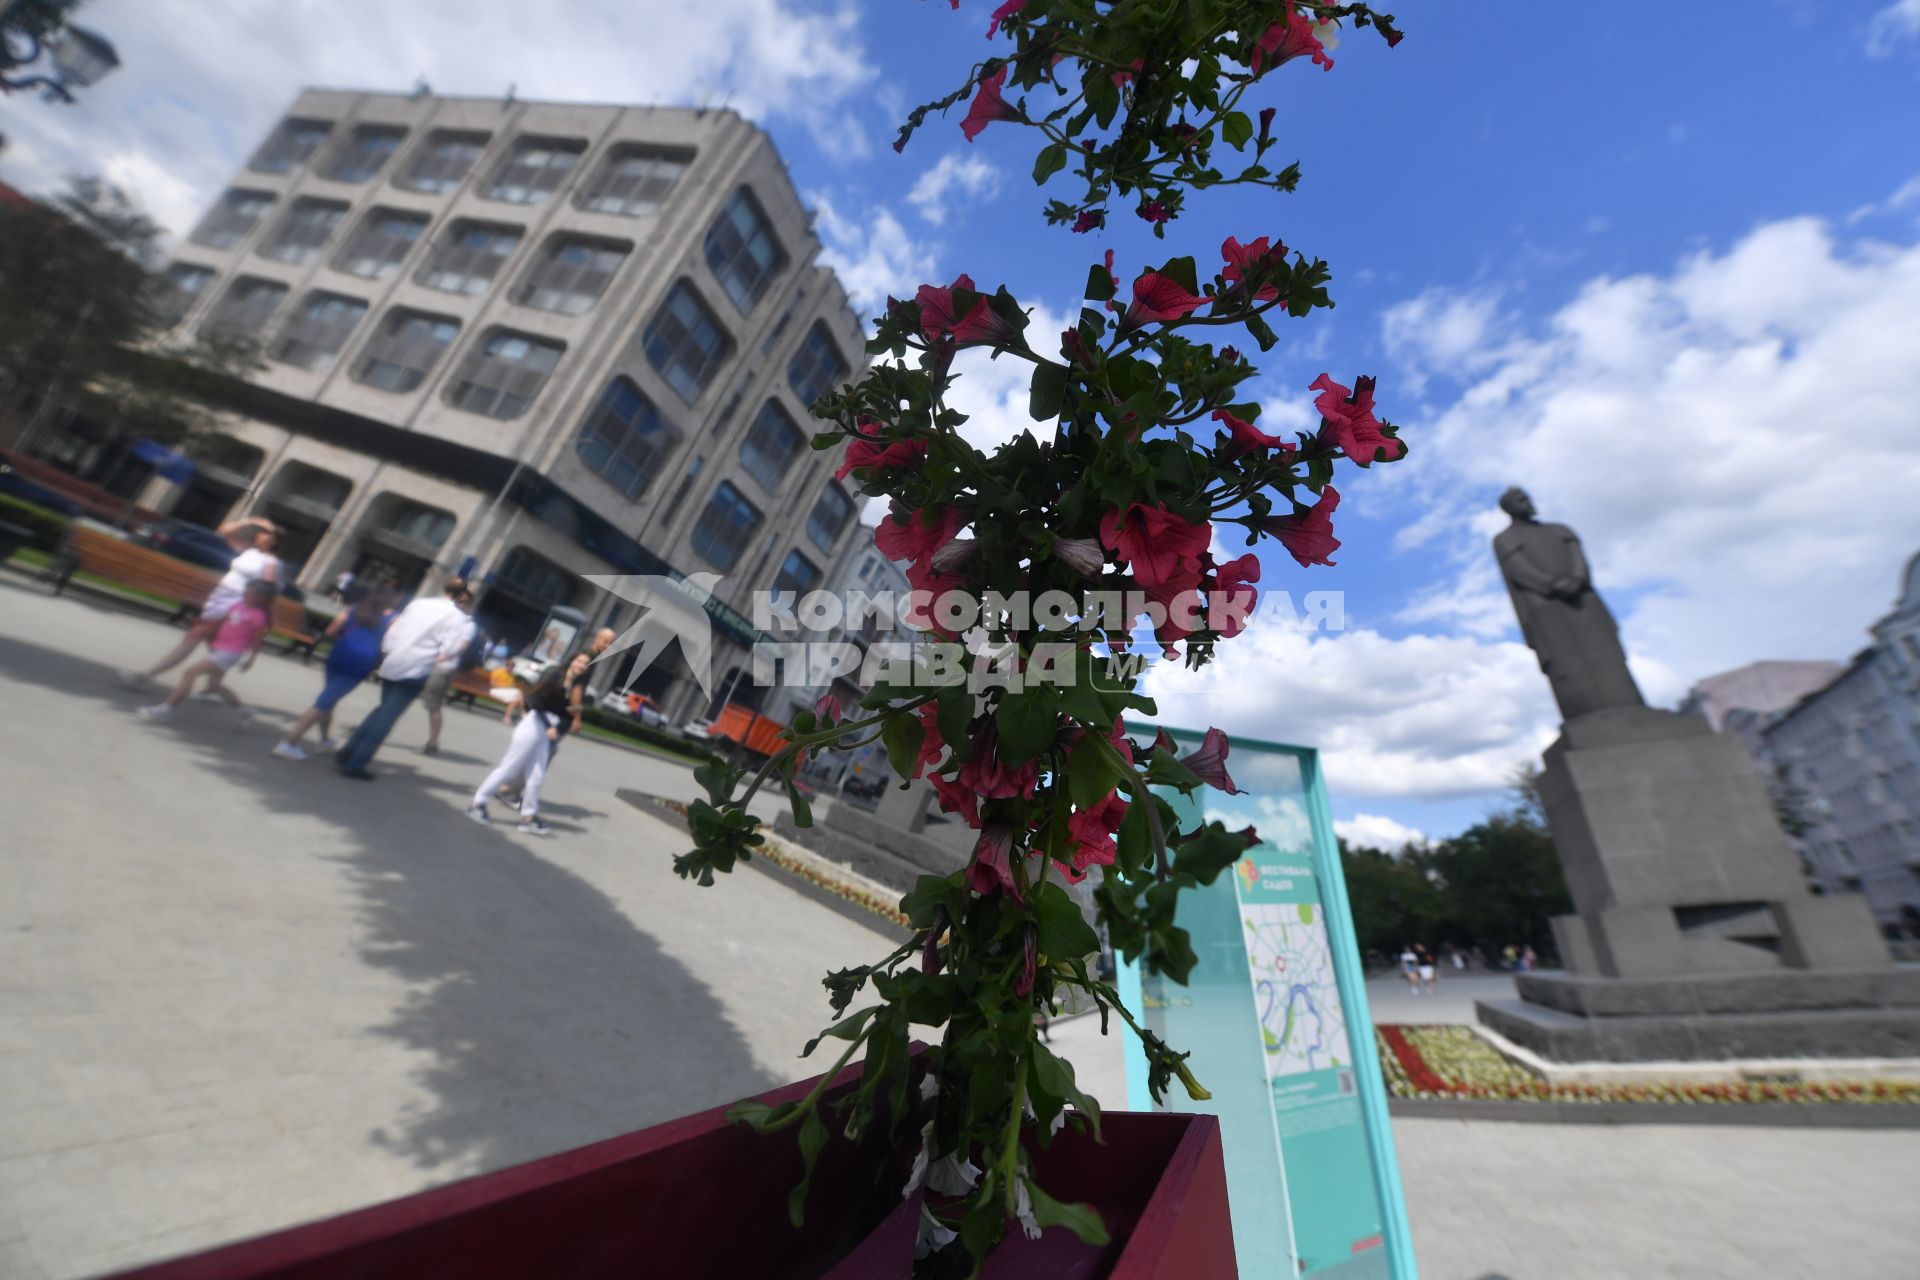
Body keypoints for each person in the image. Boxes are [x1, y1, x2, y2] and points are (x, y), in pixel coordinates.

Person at [335, 577, 475, 780]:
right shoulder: (456, 618)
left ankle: (347, 751)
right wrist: (435, 656)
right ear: (462, 594)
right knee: (386, 718)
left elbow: (394, 630)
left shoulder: (418, 604)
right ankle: (357, 762)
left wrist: (388, 652)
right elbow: (451, 648)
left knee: (381, 710)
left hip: (393, 662)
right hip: (416, 669)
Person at [122, 516, 281, 685]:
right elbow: (225, 532)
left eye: (267, 534)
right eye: (262, 532)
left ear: (274, 541)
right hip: (218, 598)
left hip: (234, 605)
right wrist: (249, 522)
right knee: (215, 646)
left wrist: (262, 619)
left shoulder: (270, 562)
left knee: (194, 636)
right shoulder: (249, 552)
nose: (262, 535)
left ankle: (144, 676)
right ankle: (214, 688)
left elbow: (266, 592)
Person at [272, 584, 393, 761]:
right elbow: (389, 645)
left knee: (329, 699)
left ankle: (325, 740)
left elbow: (330, 631)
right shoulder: (390, 619)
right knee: (323, 702)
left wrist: (345, 640)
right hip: (360, 663)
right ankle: (289, 742)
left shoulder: (353, 609)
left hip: (338, 656)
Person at [137, 579, 274, 724]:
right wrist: (204, 627)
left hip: (230, 653)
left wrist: (251, 660)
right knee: (214, 686)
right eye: (245, 591)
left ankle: (166, 709)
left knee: (191, 672)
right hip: (220, 648)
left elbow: (257, 640)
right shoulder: (238, 605)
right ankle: (243, 710)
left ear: (261, 598)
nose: (245, 594)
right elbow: (223, 622)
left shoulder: (258, 616)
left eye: (250, 593)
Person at [466, 663, 570, 836]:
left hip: (545, 735)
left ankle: (528, 817)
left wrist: (558, 730)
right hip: (532, 728)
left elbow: (568, 716)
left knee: (536, 777)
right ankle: (478, 804)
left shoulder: (574, 690)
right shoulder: (555, 680)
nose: (582, 666)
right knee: (508, 769)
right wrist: (548, 726)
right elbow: (535, 702)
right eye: (579, 662)